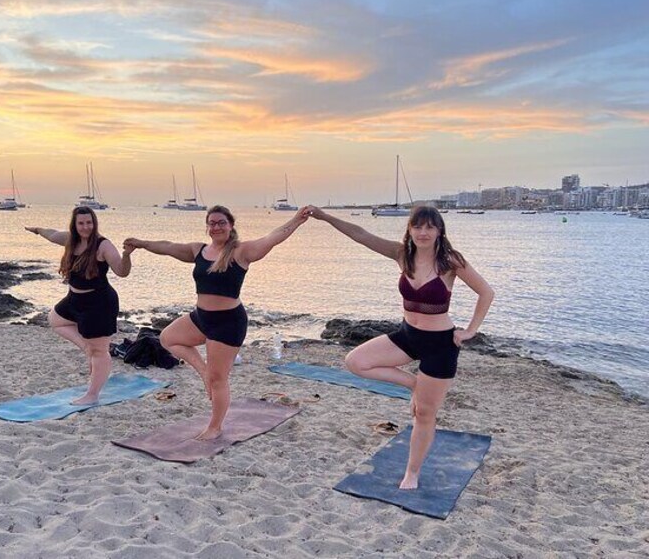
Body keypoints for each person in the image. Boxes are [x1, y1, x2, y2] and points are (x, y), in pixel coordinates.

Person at [308, 205, 494, 489]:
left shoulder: (450, 261)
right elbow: (360, 234)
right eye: (417, 226)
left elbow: (486, 292)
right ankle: (413, 384)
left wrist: (470, 330)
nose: (423, 232)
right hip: (407, 336)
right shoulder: (401, 255)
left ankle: (412, 473)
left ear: (439, 231)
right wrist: (326, 217)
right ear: (409, 229)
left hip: (440, 345)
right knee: (355, 361)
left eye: (429, 227)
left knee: (424, 414)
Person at [124, 205, 310, 440]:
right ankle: (202, 370)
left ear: (231, 225)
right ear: (207, 227)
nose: (216, 226)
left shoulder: (242, 251)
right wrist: (141, 243)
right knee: (168, 338)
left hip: (228, 323)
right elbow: (168, 247)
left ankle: (215, 427)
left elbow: (273, 238)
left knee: (218, 379)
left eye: (221, 222)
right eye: (212, 223)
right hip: (201, 317)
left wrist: (296, 220)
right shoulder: (198, 251)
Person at [25, 206, 132, 405]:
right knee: (55, 320)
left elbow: (121, 271)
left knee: (100, 351)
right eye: (81, 223)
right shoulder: (70, 241)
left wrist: (126, 256)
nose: (85, 227)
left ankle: (92, 395)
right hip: (74, 300)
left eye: (89, 223)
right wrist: (37, 229)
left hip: (99, 303)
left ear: (94, 223)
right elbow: (52, 234)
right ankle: (86, 348)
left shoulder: (103, 245)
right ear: (75, 225)